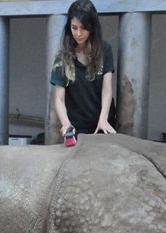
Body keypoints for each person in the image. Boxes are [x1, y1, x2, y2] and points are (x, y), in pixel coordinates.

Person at [51, 0, 117, 141]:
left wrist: (103, 119)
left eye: (83, 28)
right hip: (76, 128)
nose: (78, 33)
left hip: (103, 124)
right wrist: (66, 124)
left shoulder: (105, 50)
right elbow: (59, 99)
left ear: (92, 27)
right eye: (74, 28)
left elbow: (107, 89)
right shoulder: (62, 58)